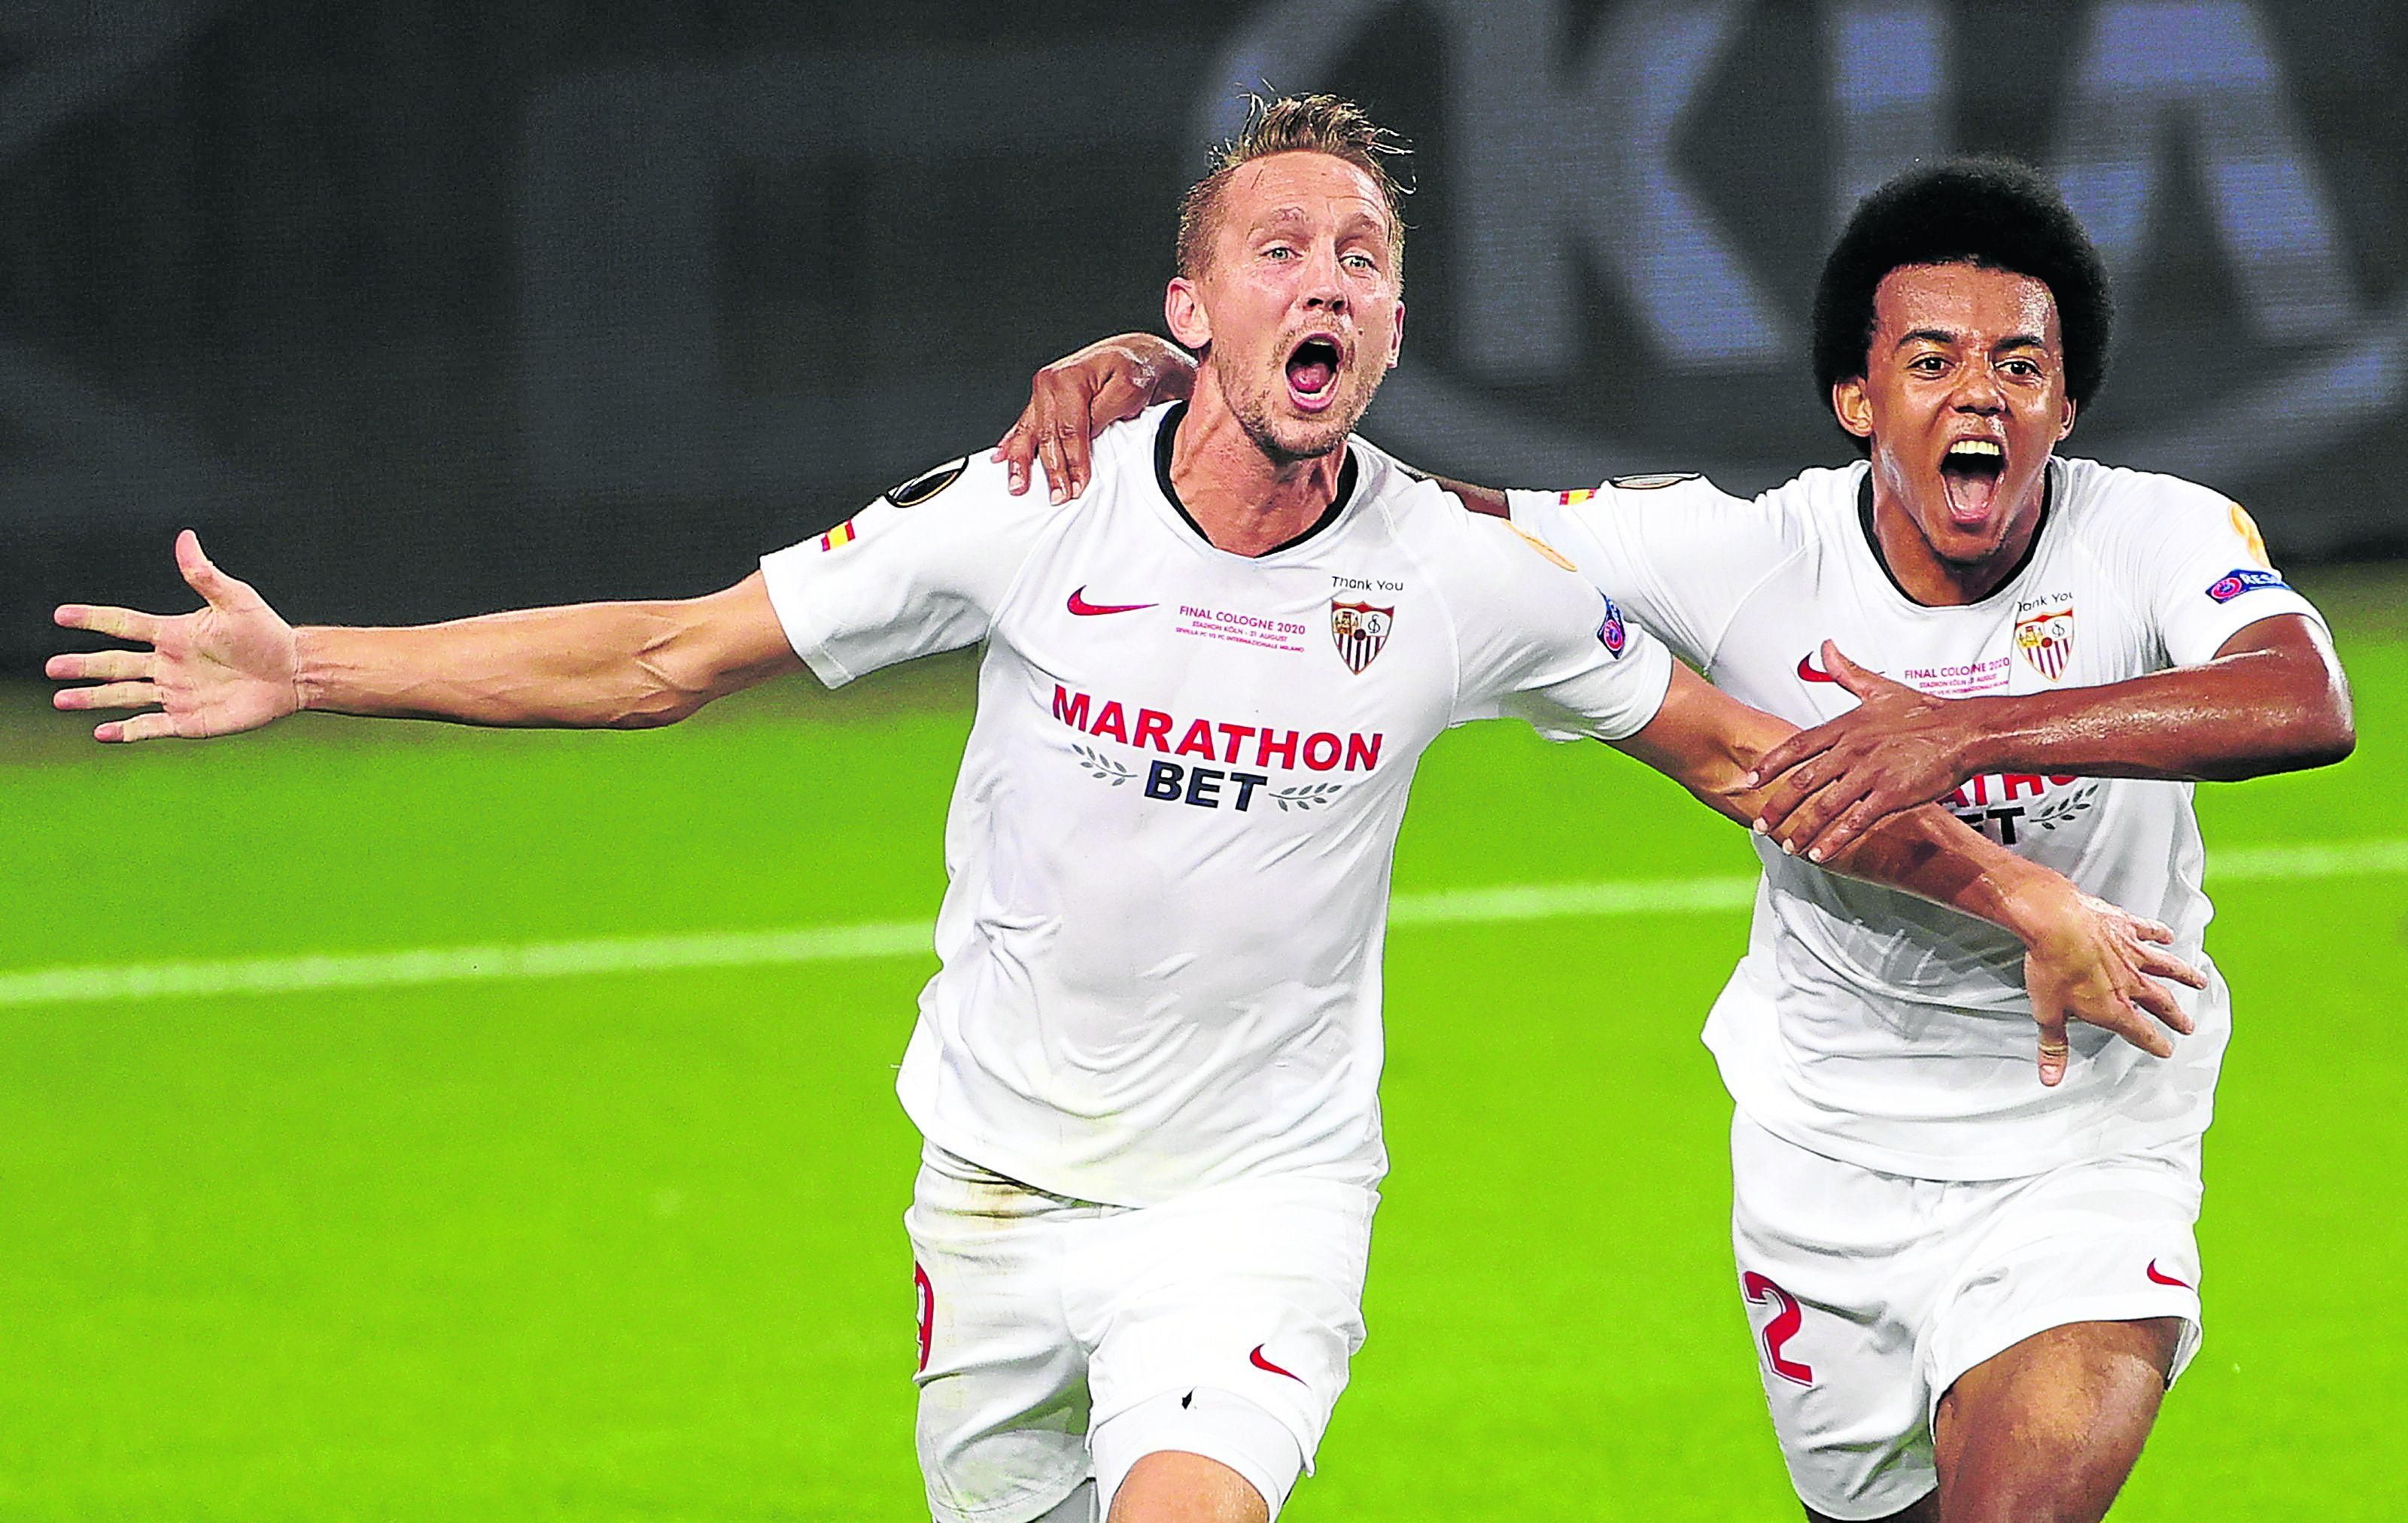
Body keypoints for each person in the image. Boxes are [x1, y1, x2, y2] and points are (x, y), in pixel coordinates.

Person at [51, 111, 2201, 1523]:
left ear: (1384, 331)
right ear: (1193, 316)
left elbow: (1758, 759)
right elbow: (661, 660)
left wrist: (2024, 892)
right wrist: (311, 661)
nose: (1330, 281)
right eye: (1282, 247)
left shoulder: (1456, 579)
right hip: (989, 1202)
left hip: (1252, 1216)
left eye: (1364, 256)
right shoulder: (1031, 504)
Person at [993, 157, 2354, 1522]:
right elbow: (1430, 518)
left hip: (2089, 1145)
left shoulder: (2156, 534)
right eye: (1931, 359)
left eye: (2020, 363)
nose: (1980, 393)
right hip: (1829, 1163)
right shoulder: (1740, 553)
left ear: (2066, 401)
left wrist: (1964, 734)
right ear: (1856, 398)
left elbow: (2304, 700)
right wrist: (1206, 385)